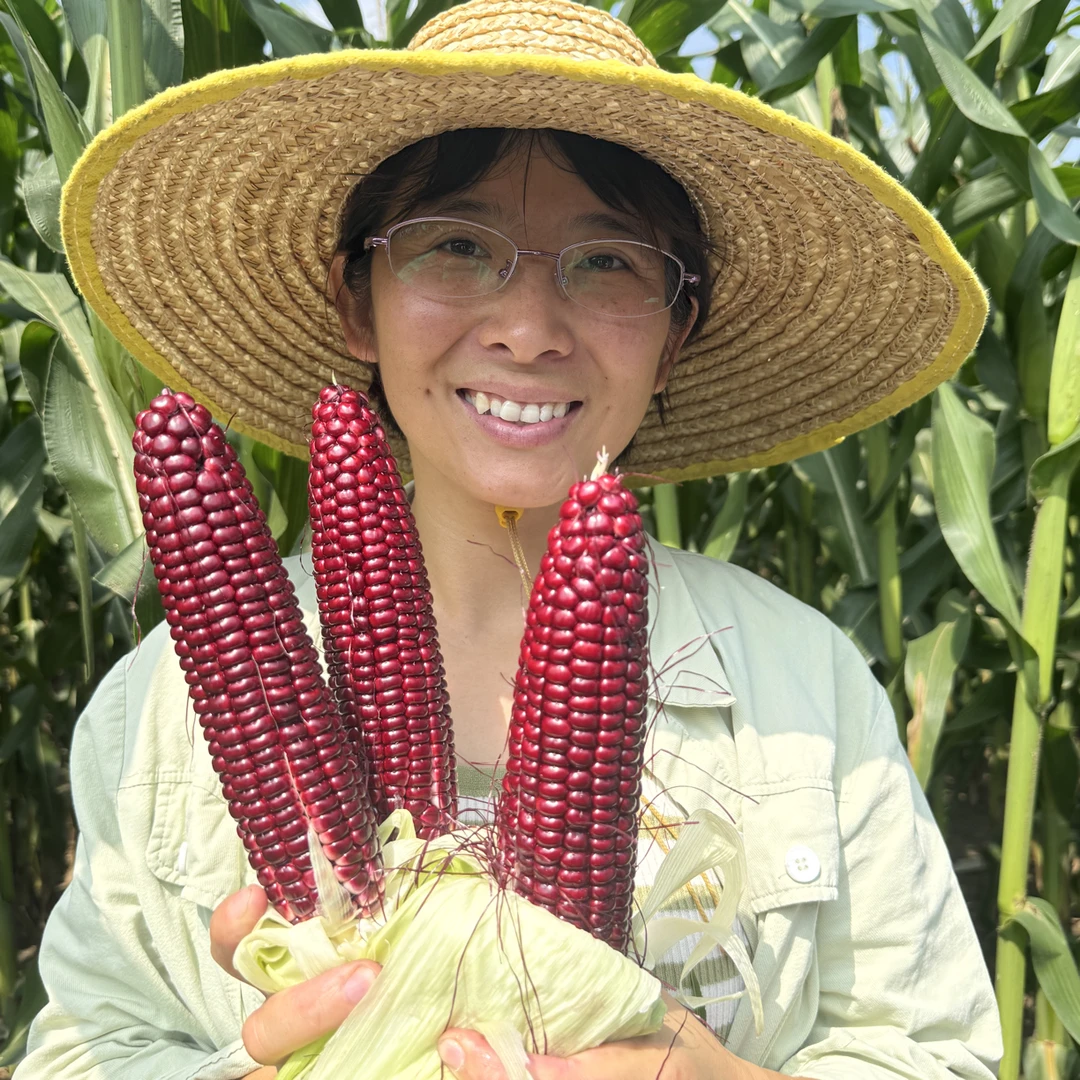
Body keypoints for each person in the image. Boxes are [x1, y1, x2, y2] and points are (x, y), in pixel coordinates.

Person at [22, 0, 1002, 1077]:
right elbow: (84, 1052)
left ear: (674, 339)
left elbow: (927, 1053)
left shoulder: (810, 690)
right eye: (454, 246)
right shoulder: (155, 714)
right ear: (359, 305)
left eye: (609, 262)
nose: (528, 328)